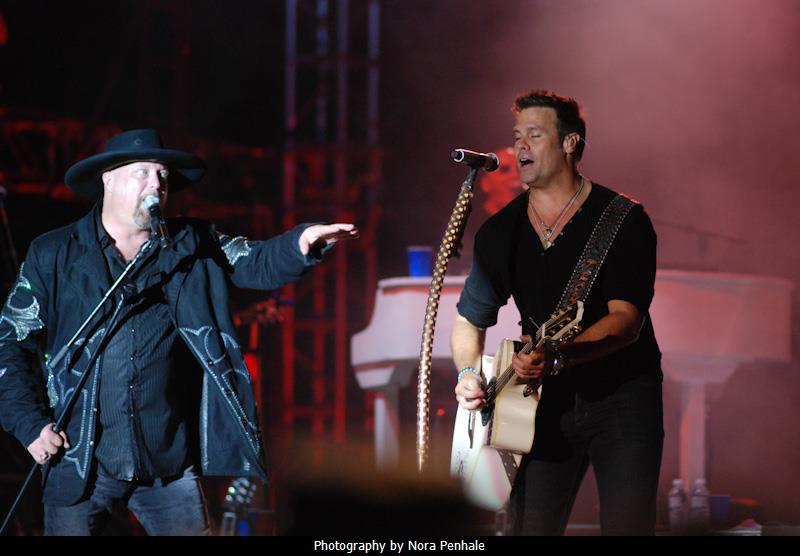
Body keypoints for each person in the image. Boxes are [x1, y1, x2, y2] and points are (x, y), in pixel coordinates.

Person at [0, 129, 358, 535]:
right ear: (108, 179)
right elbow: (10, 340)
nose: (156, 184)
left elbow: (254, 261)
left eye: (162, 175)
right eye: (143, 172)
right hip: (80, 460)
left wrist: (302, 242)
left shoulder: (191, 244)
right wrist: (28, 424)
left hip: (167, 463)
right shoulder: (54, 253)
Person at [452, 90, 663, 535]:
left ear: (570, 143)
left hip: (623, 396)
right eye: (516, 137)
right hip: (538, 403)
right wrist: (468, 374)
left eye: (534, 134)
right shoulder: (500, 233)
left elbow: (626, 322)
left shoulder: (623, 220)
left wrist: (560, 356)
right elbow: (470, 320)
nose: (520, 147)